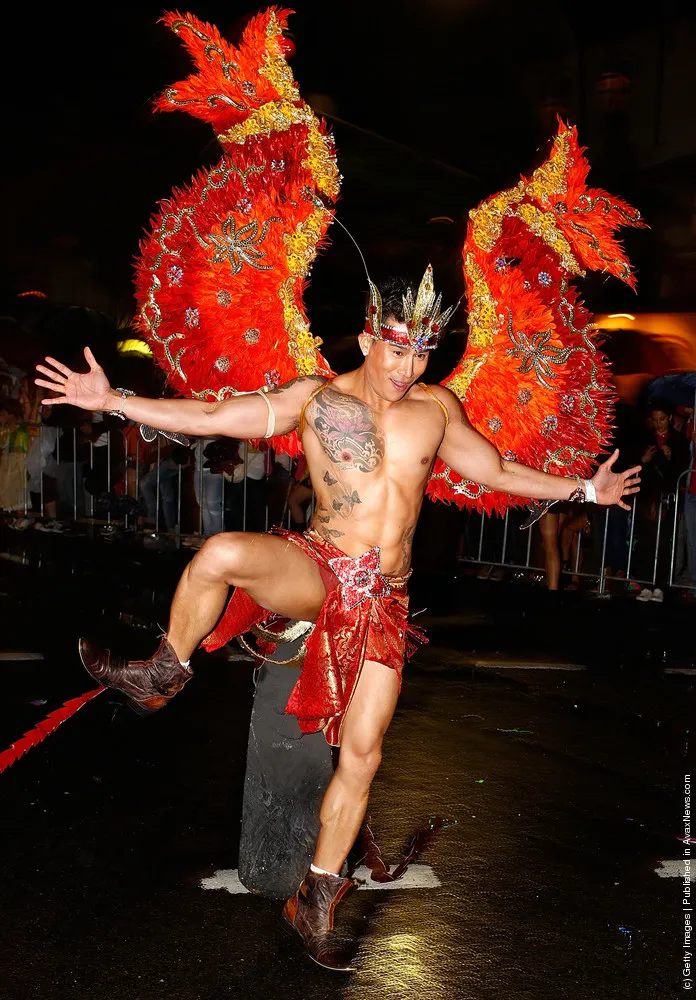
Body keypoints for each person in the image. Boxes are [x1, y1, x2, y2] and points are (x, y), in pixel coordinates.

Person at [35, 274, 641, 970]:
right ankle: (162, 674)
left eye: (421, 354)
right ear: (366, 339)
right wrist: (111, 399)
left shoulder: (436, 409)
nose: (408, 368)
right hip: (320, 570)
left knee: (363, 754)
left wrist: (584, 488)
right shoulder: (314, 399)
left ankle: (316, 897)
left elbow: (497, 470)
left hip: (384, 601)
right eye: (396, 351)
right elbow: (213, 416)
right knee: (222, 553)